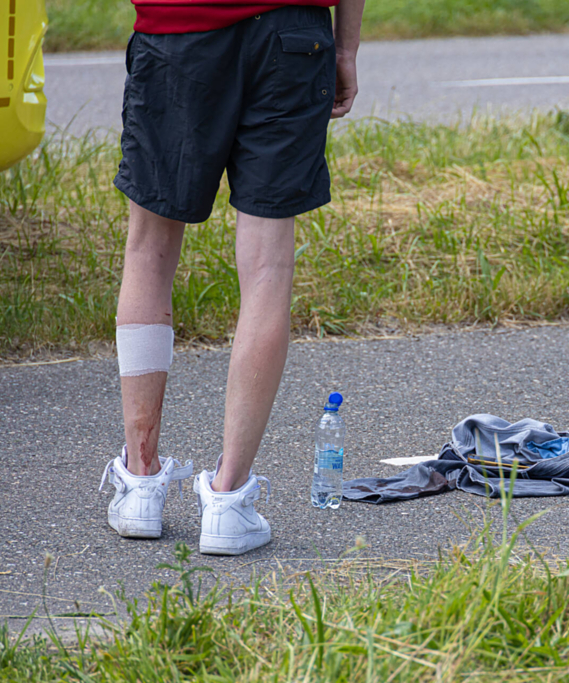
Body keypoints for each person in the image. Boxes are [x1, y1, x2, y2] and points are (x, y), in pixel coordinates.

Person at [98, 0, 365, 555]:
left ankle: (141, 482)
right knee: (267, 268)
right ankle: (227, 498)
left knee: (149, 252)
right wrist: (346, 48)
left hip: (178, 29)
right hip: (292, 33)